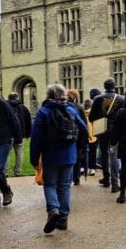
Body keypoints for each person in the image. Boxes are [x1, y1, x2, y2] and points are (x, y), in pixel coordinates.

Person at [30, 83, 89, 232]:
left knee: (49, 184)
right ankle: (63, 218)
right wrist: (80, 146)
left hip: (50, 154)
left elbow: (36, 138)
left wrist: (34, 158)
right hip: (69, 154)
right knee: (64, 186)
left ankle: (53, 210)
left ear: (49, 96)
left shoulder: (43, 112)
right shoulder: (71, 110)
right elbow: (84, 129)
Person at [90, 79, 122, 189]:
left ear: (104, 86)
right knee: (114, 154)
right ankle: (115, 183)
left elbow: (91, 117)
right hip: (116, 129)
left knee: (104, 155)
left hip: (102, 129)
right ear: (114, 86)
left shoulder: (98, 98)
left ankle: (106, 179)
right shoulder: (120, 98)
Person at [7, 92, 32, 176]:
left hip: (9, 134)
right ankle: (17, 172)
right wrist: (28, 134)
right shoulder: (23, 108)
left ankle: (5, 172)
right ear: (17, 98)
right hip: (21, 134)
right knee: (19, 153)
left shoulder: (6, 107)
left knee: (7, 153)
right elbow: (28, 122)